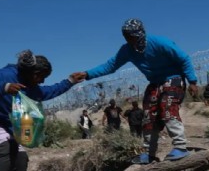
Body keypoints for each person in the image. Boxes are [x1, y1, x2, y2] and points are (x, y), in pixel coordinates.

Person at [77, 18, 198, 163]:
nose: (128, 39)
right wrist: (87, 74)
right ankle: (149, 153)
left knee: (167, 107)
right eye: (125, 36)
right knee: (148, 116)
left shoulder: (159, 43)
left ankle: (180, 147)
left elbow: (183, 58)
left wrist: (192, 81)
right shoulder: (127, 50)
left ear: (140, 33)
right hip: (154, 82)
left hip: (173, 78)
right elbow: (110, 66)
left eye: (131, 35)